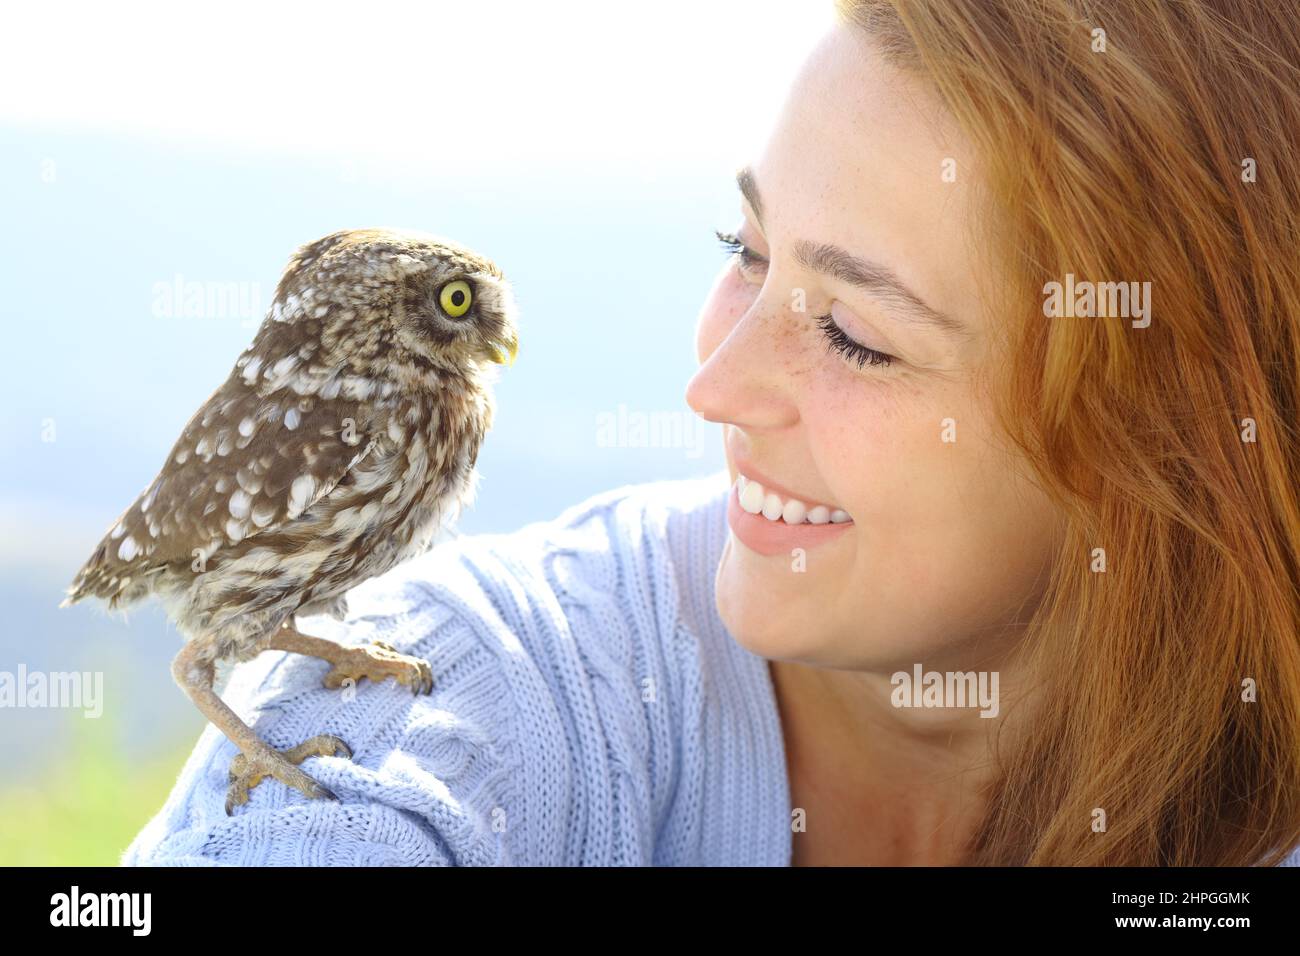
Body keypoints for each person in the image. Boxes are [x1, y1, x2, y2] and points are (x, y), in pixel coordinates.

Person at [125, 0, 1300, 866]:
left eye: (850, 333)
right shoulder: (465, 702)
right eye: (743, 252)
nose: (714, 385)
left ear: (1163, 429)